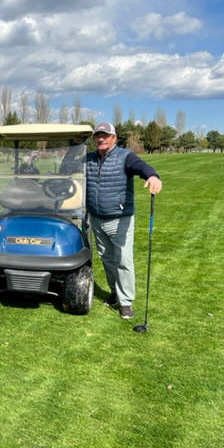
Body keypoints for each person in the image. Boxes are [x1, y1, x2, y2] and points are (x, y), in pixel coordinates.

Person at [86, 122, 162, 319]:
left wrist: (153, 176)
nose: (101, 139)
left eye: (105, 135)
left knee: (123, 260)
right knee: (106, 258)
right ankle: (115, 292)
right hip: (96, 219)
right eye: (98, 136)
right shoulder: (88, 159)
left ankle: (126, 301)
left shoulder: (125, 157)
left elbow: (142, 167)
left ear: (114, 138)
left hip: (120, 219)